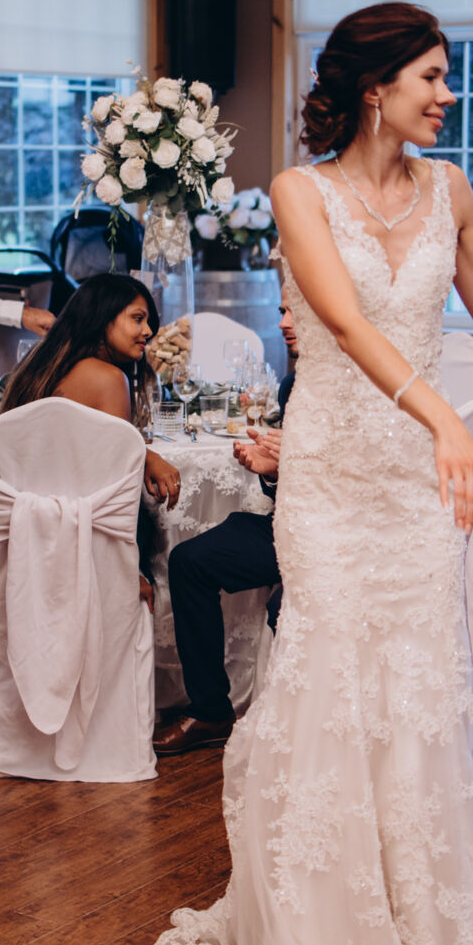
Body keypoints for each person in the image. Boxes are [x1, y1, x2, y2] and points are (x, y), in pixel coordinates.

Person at [148, 1, 473, 945]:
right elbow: (344, 319)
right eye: (432, 77)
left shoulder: (451, 189)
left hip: (411, 486)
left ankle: (423, 915)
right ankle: (323, 930)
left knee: (416, 688)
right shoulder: (300, 191)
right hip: (332, 475)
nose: (448, 95)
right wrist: (445, 417)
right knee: (328, 677)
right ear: (376, 87)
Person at [151, 304, 297, 755]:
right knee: (190, 561)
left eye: (295, 311)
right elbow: (287, 479)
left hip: (341, 531)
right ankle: (211, 710)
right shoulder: (293, 384)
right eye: (282, 310)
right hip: (288, 522)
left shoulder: (365, 385)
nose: (283, 323)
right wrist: (273, 470)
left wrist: (292, 462)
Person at [0, 272, 185, 608]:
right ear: (102, 317)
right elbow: (113, 492)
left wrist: (143, 454)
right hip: (84, 546)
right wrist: (128, 571)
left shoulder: (36, 369)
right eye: (138, 319)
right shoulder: (109, 379)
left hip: (24, 539)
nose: (148, 331)